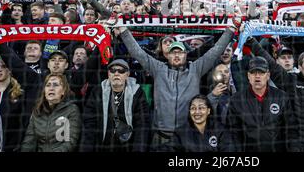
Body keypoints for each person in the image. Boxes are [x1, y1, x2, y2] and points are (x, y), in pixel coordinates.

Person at [117, 20, 236, 148]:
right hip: (160, 136)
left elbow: (215, 51)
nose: (177, 55)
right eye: (173, 52)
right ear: (168, 55)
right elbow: (138, 53)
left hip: (187, 136)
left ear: (185, 54)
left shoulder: (195, 69)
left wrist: (230, 31)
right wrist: (123, 30)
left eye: (180, 52)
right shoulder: (158, 69)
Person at [80, 59, 150, 152]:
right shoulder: (97, 92)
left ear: (127, 75)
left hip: (128, 147)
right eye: (113, 70)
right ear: (109, 74)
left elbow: (142, 125)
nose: (116, 73)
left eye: (121, 71)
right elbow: (89, 124)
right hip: (102, 146)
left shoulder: (137, 93)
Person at [226, 57, 289, 152]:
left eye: (261, 72)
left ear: (268, 75)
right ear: (248, 76)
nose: (257, 76)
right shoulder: (236, 100)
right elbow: (232, 133)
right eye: (253, 72)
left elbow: (289, 130)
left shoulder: (281, 97)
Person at [21, 74, 81, 152]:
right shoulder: (37, 111)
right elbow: (29, 142)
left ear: (63, 91)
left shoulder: (72, 110)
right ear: (44, 91)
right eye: (48, 85)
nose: (51, 88)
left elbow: (70, 142)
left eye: (56, 85)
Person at [160, 95, 235, 152]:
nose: (197, 112)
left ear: (208, 111)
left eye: (201, 108)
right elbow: (168, 148)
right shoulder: (181, 132)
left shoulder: (220, 129)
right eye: (193, 108)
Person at [0, 56, 25, 151]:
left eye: (3, 66)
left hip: (11, 147)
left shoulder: (19, 94)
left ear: (9, 70)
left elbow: (23, 124)